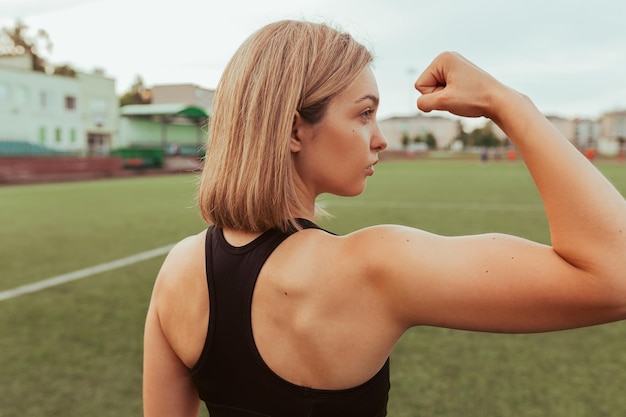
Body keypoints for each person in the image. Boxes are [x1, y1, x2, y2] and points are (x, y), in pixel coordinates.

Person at [143, 19, 626, 417]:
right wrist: (509, 103)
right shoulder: (372, 267)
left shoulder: (178, 271)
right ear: (294, 129)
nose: (380, 138)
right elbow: (616, 275)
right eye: (363, 114)